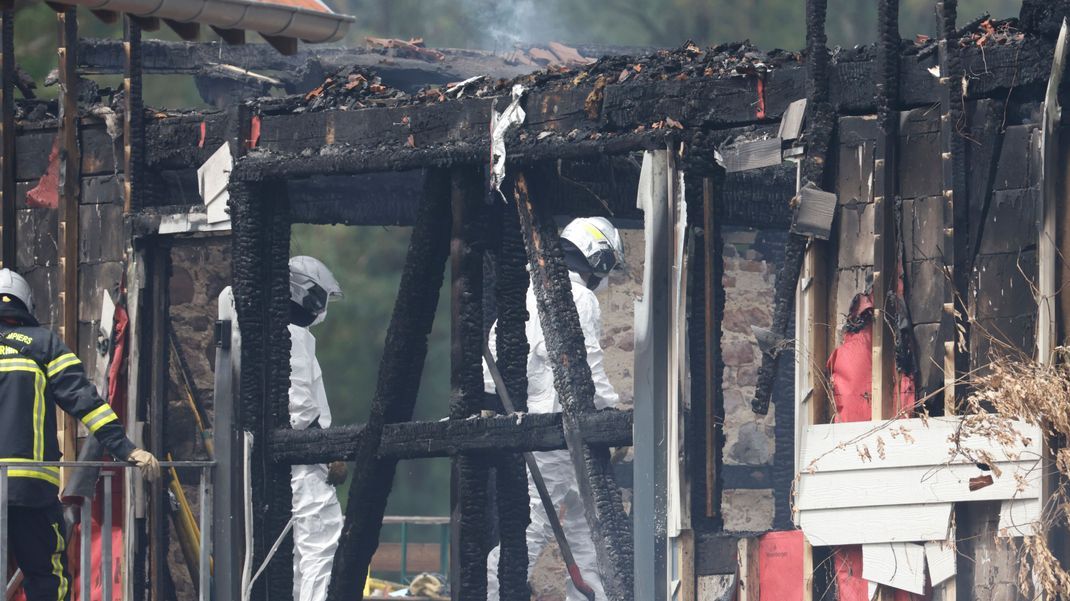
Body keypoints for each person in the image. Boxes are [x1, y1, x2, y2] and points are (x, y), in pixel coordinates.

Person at [485, 217, 625, 601]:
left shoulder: (527, 291)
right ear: (597, 258)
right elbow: (587, 366)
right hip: (561, 434)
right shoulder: (578, 297)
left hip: (537, 428)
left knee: (584, 526)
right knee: (539, 526)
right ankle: (493, 592)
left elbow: (488, 370)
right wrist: (610, 415)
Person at [0, 268, 159, 601]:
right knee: (47, 576)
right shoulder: (43, 345)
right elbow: (85, 401)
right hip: (30, 491)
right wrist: (127, 448)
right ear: (26, 305)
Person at [287, 256, 348, 601]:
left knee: (302, 560)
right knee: (322, 551)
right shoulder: (293, 336)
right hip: (307, 466)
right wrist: (329, 458)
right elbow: (299, 410)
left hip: (302, 465)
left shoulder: (295, 335)